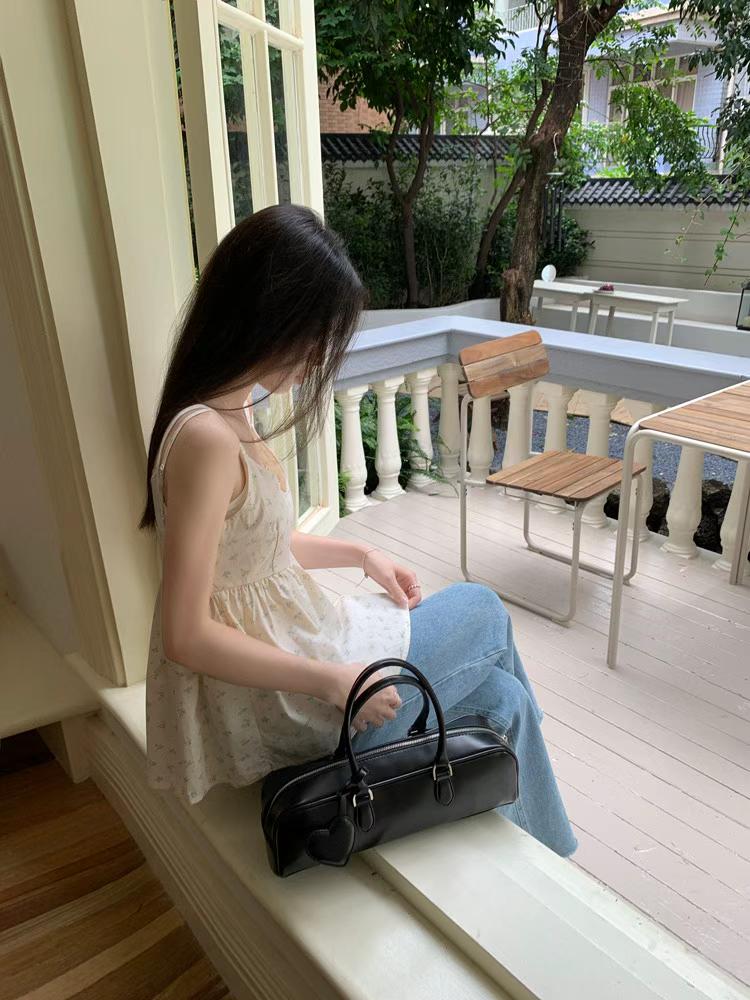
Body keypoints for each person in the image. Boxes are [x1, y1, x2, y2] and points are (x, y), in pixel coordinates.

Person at [140, 202, 577, 858]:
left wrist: (362, 553)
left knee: (502, 698)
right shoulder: (205, 436)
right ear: (268, 315)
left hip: (305, 653)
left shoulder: (234, 409)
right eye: (314, 335)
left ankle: (550, 860)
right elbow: (184, 634)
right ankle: (536, 844)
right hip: (292, 701)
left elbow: (254, 550)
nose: (317, 356)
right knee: (483, 611)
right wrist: (336, 684)